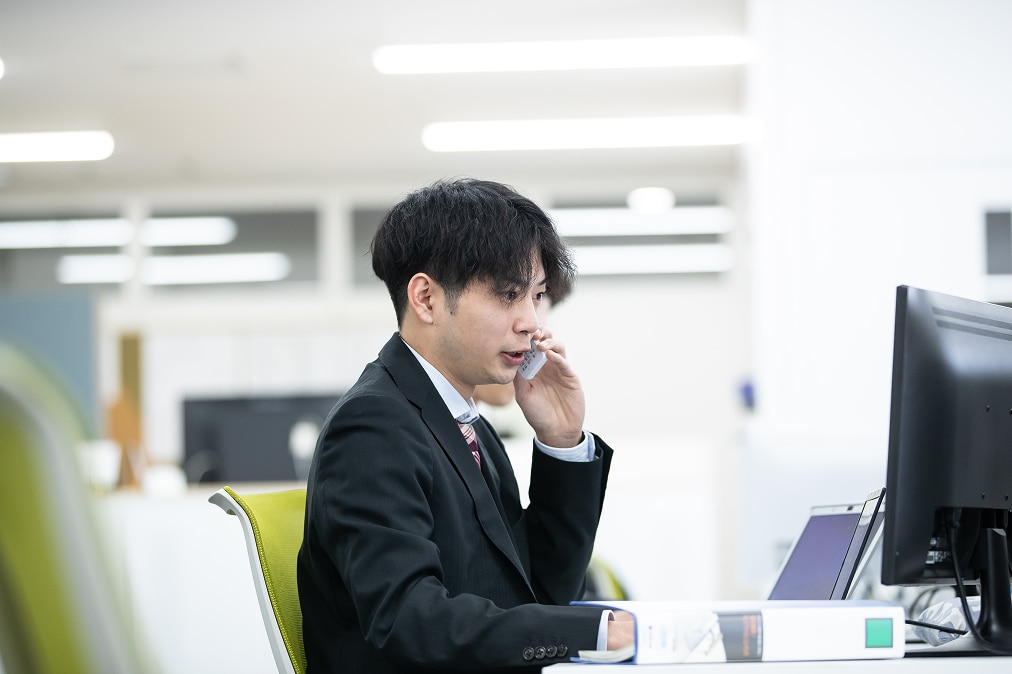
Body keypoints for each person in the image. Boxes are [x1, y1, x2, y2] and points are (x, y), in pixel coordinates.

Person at [297, 178, 633, 672]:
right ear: (426, 299)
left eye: (537, 295)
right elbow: (411, 620)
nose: (531, 321)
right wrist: (591, 632)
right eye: (508, 294)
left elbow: (543, 589)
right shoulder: (372, 425)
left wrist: (561, 442)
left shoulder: (465, 422)